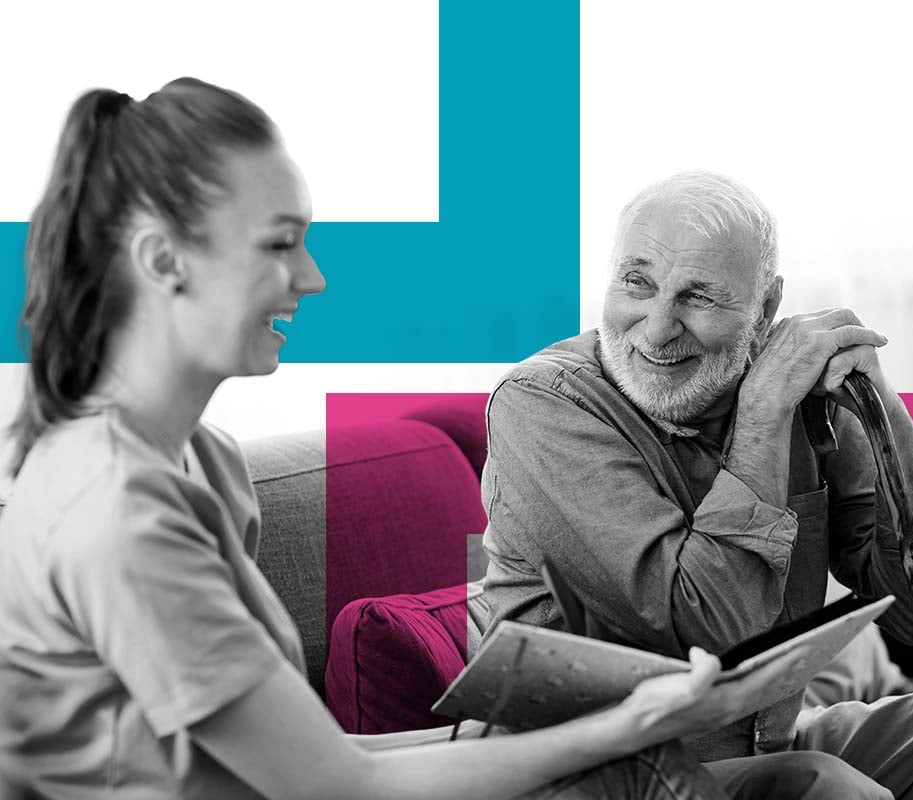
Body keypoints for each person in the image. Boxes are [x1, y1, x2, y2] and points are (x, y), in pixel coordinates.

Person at [0, 82, 828, 800]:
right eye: (280, 244)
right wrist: (628, 727)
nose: (312, 277)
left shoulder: (202, 461)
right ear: (162, 260)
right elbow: (338, 789)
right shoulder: (117, 512)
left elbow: (314, 761)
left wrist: (523, 739)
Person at [479, 171, 913, 799]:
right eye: (637, 282)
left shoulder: (796, 388)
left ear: (766, 309)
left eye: (698, 296)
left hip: (766, 743)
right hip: (600, 777)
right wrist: (763, 413)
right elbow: (711, 628)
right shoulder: (543, 406)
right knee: (829, 788)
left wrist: (881, 404)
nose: (656, 328)